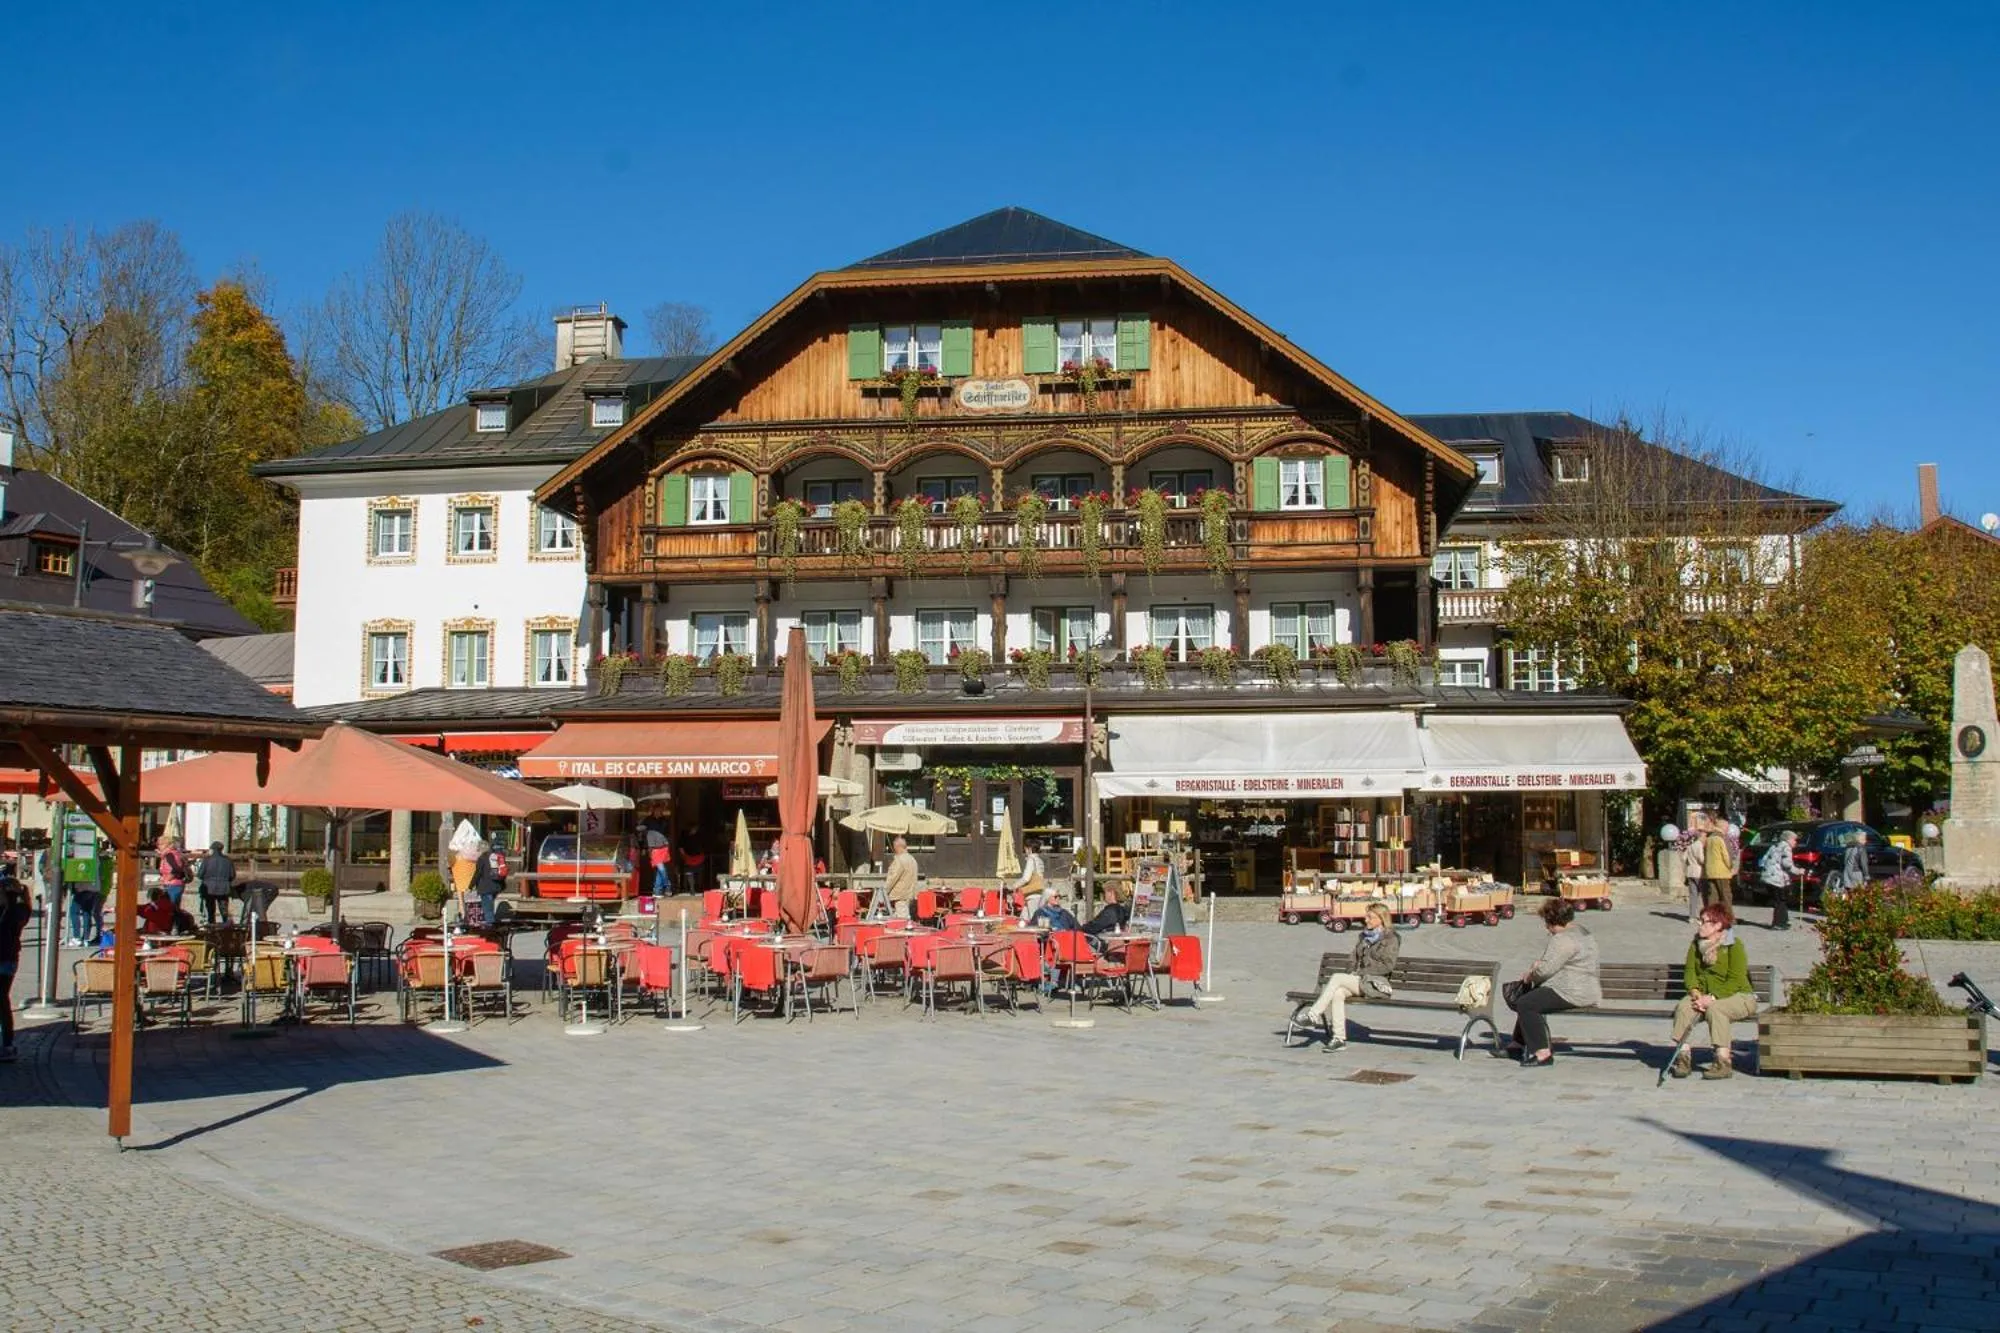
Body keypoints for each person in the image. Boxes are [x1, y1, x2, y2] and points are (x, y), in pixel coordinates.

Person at [1508, 899, 1601, 1067]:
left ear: (1551, 921)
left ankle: (1542, 1053)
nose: (1545, 927)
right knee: (1531, 997)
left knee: (1526, 1004)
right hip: (1586, 987)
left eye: (1546, 922)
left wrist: (1530, 975)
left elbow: (1546, 970)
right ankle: (1516, 1045)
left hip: (1571, 991)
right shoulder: (1582, 931)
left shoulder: (1562, 939)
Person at [1668, 904, 1758, 1079]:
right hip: (1704, 995)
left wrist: (1712, 997)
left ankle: (1723, 1062)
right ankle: (1682, 1058)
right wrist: (1695, 992)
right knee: (1683, 1007)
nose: (1700, 925)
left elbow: (1736, 979)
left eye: (1704, 921)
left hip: (1738, 996)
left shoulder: (1734, 945)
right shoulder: (1696, 945)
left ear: (1717, 925)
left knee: (1716, 1010)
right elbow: (1690, 972)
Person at [1301, 902, 1399, 1051]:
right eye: (1366, 916)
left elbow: (1387, 966)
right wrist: (1352, 971)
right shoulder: (1364, 937)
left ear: (1381, 918)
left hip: (1376, 984)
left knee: (1337, 978)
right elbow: (1352, 960)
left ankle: (1313, 1015)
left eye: (1370, 917)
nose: (1366, 920)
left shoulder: (1391, 939)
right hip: (1359, 981)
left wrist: (1360, 973)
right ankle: (1339, 1039)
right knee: (1338, 993)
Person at [0, 872, 30, 1061]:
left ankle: (7, 1044)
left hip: (4, 959)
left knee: (2, 1001)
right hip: (10, 960)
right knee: (3, 1001)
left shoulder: (7, 911)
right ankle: (7, 1043)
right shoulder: (20, 909)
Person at [1759, 830, 1800, 930]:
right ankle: (1778, 924)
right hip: (1776, 878)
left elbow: (1763, 860)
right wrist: (1799, 871)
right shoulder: (1786, 847)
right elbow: (1787, 864)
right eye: (1795, 840)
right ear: (1789, 839)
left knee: (1779, 900)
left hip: (1768, 876)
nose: (1796, 842)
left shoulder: (1775, 846)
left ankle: (1784, 921)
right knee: (1780, 900)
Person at [198, 841, 236, 927]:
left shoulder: (207, 860)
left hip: (209, 887)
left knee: (210, 909)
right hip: (223, 887)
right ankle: (226, 924)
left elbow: (200, 874)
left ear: (212, 849)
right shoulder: (228, 860)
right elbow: (232, 875)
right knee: (223, 907)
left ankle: (212, 924)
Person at [1702, 821, 1738, 911]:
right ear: (1723, 827)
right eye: (1727, 827)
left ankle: (1711, 916)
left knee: (1713, 896)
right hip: (1722, 871)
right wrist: (1731, 866)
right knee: (1726, 895)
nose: (1728, 829)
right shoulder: (1722, 838)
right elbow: (1726, 855)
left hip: (1710, 871)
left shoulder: (1709, 838)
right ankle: (1729, 917)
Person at [883, 835, 920, 920]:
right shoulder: (912, 859)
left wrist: (885, 891)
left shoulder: (899, 860)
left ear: (898, 847)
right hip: (909, 894)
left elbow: (893, 878)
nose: (894, 849)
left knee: (901, 920)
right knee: (905, 916)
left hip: (900, 895)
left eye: (894, 847)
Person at [1680, 816, 1708, 922]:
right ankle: (1703, 916)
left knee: (1693, 895)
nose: (1706, 838)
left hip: (1690, 871)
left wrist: (1690, 863)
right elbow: (1701, 859)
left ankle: (1691, 916)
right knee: (1703, 894)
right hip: (1698, 872)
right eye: (1705, 836)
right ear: (1701, 837)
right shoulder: (1699, 845)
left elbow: (1684, 858)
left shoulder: (1690, 846)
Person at [1012, 840, 1048, 919]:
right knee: (1023, 919)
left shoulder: (1031, 860)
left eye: (1025, 849)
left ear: (1029, 849)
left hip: (1033, 894)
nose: (1025, 851)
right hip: (1038, 892)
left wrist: (1015, 885)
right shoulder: (1039, 860)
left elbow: (1026, 878)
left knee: (1033, 920)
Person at [156, 835, 191, 909]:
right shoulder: (172, 853)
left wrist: (169, 877)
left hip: (173, 884)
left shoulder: (170, 855)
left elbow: (177, 868)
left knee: (171, 908)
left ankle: (175, 920)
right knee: (174, 908)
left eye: (161, 844)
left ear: (167, 844)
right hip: (174, 884)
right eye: (158, 844)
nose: (159, 846)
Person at [645, 823, 671, 896]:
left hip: (658, 851)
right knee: (659, 872)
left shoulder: (649, 834)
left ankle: (668, 887)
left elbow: (650, 847)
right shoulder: (654, 833)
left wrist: (650, 855)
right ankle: (657, 890)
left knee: (661, 870)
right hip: (663, 849)